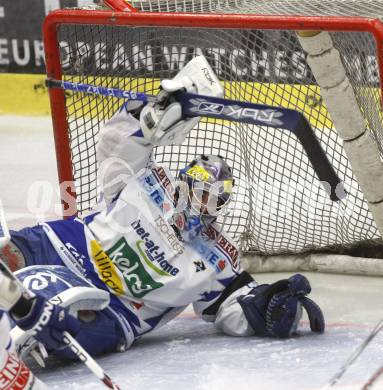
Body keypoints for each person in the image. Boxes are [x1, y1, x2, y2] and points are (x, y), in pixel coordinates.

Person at [0, 56, 324, 365]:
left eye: (210, 200)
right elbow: (116, 143)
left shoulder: (216, 258)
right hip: (73, 247)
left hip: (118, 309)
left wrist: (269, 309)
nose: (199, 203)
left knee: (64, 330)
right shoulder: (150, 180)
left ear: (219, 208)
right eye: (195, 191)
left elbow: (234, 307)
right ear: (182, 182)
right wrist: (152, 115)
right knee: (9, 253)